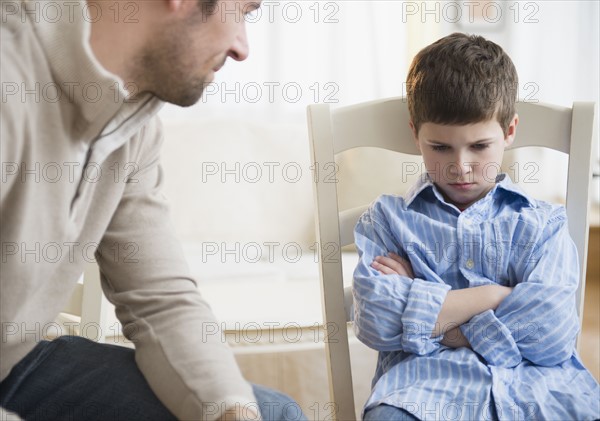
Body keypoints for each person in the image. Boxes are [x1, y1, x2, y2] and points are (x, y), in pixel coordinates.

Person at [0, 0, 306, 420]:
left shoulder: (133, 125)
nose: (242, 48)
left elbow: (160, 299)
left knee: (271, 413)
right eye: (243, 11)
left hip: (14, 363)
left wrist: (230, 411)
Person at [352, 33, 600, 420]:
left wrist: (435, 318)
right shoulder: (387, 221)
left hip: (539, 393)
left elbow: (551, 336)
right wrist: (499, 296)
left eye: (480, 147)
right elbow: (376, 322)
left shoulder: (543, 224)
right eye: (440, 147)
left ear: (510, 131)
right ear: (415, 132)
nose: (461, 167)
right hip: (420, 394)